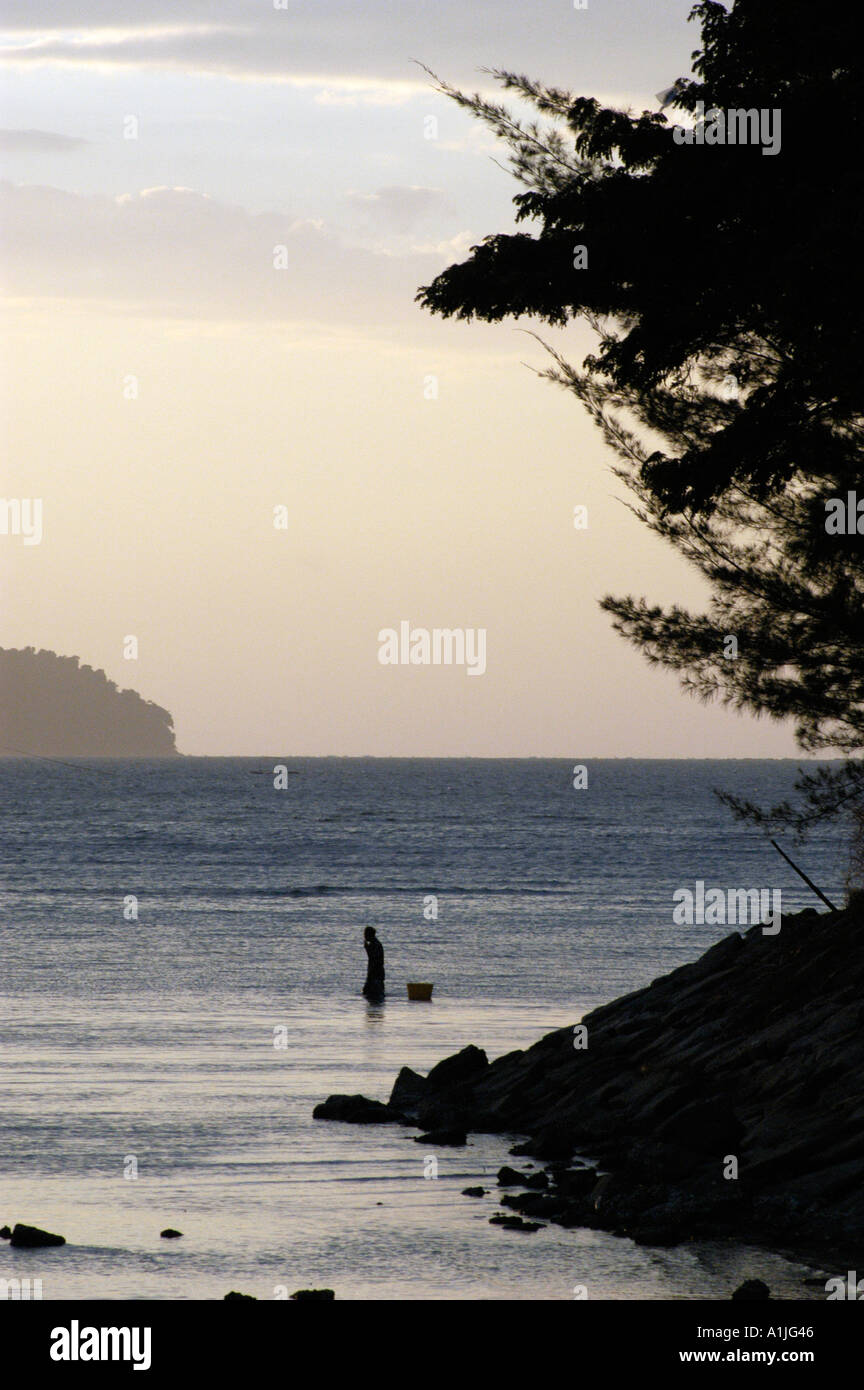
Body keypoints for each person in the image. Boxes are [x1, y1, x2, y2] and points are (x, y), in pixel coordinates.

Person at [362, 926, 385, 999]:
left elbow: (373, 958)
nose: (364, 936)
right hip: (374, 973)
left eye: (365, 934)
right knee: (368, 993)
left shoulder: (375, 944)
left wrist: (367, 949)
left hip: (376, 973)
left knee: (374, 994)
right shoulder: (374, 944)